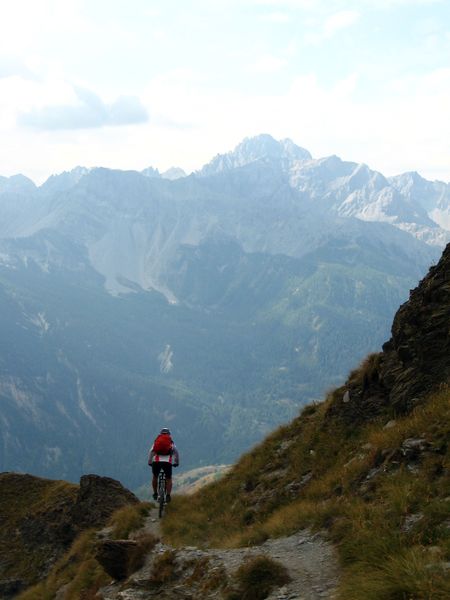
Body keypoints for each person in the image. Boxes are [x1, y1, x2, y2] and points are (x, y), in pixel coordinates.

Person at [148, 427, 179, 503]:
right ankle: (168, 495)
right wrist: (176, 462)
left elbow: (151, 451)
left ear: (161, 433)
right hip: (167, 462)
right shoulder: (170, 442)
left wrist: (150, 461)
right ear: (169, 434)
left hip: (156, 462)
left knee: (155, 476)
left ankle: (155, 493)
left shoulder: (157, 441)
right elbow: (176, 452)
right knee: (168, 478)